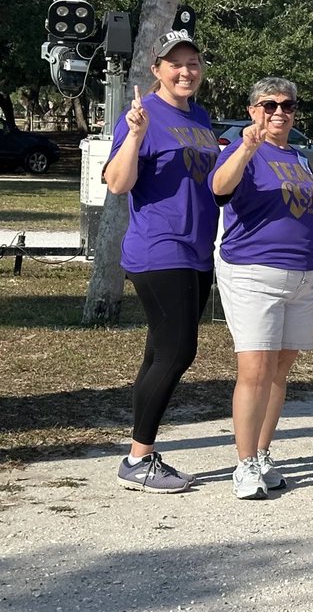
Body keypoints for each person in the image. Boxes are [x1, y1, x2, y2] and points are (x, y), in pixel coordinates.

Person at [105, 30, 220, 493]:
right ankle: (138, 457)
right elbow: (116, 183)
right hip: (159, 248)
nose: (185, 70)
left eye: (193, 62)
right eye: (175, 63)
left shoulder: (201, 116)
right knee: (178, 351)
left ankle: (140, 453)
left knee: (160, 351)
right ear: (156, 70)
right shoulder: (142, 115)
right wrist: (133, 137)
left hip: (197, 250)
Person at [210, 77, 313, 500]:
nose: (279, 112)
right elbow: (219, 188)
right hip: (253, 273)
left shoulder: (298, 157)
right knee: (255, 371)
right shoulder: (239, 150)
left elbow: (310, 216)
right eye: (269, 105)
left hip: (299, 275)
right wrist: (246, 147)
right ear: (253, 109)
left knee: (279, 371)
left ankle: (261, 453)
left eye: (287, 105)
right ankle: (242, 465)